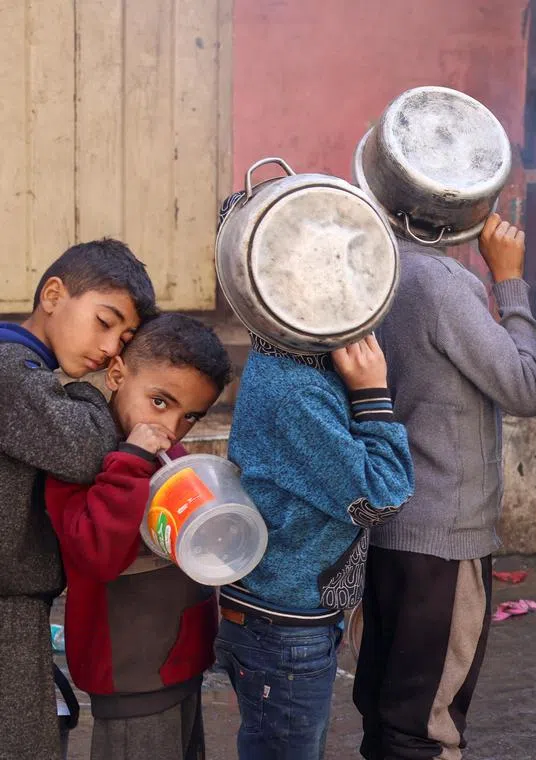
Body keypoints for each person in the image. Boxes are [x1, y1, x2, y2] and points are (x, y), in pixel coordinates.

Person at [354, 210, 536, 759]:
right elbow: (526, 387)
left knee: (387, 717)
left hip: (386, 528)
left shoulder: (376, 268)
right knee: (426, 728)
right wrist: (509, 281)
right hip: (440, 540)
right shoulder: (440, 281)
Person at [215, 327, 415, 757]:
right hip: (284, 630)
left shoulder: (286, 363)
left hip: (279, 618)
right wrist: (372, 393)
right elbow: (381, 498)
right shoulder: (298, 391)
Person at [45, 314, 232, 760]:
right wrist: (129, 461)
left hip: (183, 660)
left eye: (190, 416)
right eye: (159, 402)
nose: (171, 427)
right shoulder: (86, 456)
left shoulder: (174, 458)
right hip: (130, 676)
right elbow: (96, 553)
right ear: (116, 375)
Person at [0, 239, 156, 759]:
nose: (112, 347)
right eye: (104, 322)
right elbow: (89, 448)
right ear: (52, 294)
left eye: (125, 337)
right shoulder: (11, 372)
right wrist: (99, 393)